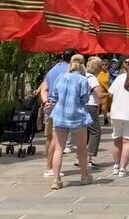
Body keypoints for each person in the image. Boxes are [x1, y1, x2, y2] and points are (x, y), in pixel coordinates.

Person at [48, 54, 94, 190]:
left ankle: (56, 179)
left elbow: (54, 95)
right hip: (77, 116)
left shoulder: (60, 77)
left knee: (58, 148)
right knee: (81, 148)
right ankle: (84, 175)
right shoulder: (83, 79)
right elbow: (85, 98)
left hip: (60, 115)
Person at [40, 49, 77, 177]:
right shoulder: (71, 71)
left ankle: (49, 167)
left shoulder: (53, 70)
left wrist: (46, 101)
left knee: (50, 138)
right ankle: (55, 170)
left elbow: (44, 88)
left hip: (50, 107)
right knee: (59, 141)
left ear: (62, 56)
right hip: (63, 108)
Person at [84, 56, 108, 166]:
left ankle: (81, 156)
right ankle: (89, 156)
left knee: (86, 132)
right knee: (95, 131)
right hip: (91, 105)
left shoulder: (83, 75)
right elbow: (99, 94)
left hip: (83, 105)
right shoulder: (92, 78)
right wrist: (110, 93)